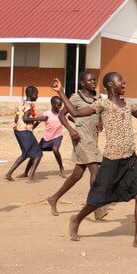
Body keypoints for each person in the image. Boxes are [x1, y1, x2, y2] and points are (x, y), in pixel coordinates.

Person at [50, 73, 137, 248]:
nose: (124, 82)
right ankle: (77, 218)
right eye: (120, 80)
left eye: (123, 79)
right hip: (112, 159)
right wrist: (60, 92)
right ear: (110, 85)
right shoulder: (102, 104)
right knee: (99, 197)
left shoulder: (128, 103)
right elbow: (75, 112)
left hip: (130, 158)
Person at [47, 72, 107, 220]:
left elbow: (99, 115)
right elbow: (62, 115)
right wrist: (71, 129)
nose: (93, 82)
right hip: (81, 137)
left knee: (77, 174)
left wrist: (100, 123)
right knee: (95, 169)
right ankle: (97, 206)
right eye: (90, 80)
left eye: (94, 80)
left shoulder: (98, 98)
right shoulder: (75, 98)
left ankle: (54, 198)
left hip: (93, 137)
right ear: (82, 83)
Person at [5, 86, 46, 181]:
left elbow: (16, 119)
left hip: (18, 130)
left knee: (25, 154)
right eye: (36, 94)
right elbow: (26, 119)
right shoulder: (30, 105)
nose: (37, 96)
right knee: (38, 154)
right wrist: (40, 118)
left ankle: (9, 173)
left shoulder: (21, 103)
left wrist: (36, 122)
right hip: (25, 131)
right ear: (32, 95)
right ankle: (31, 177)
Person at [37, 96, 65, 176]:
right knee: (36, 153)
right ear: (52, 104)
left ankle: (61, 167)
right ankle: (26, 171)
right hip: (47, 138)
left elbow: (71, 118)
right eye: (58, 105)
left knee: (55, 149)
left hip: (57, 136)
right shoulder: (46, 114)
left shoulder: (62, 113)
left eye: (61, 105)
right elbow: (36, 122)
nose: (60, 107)